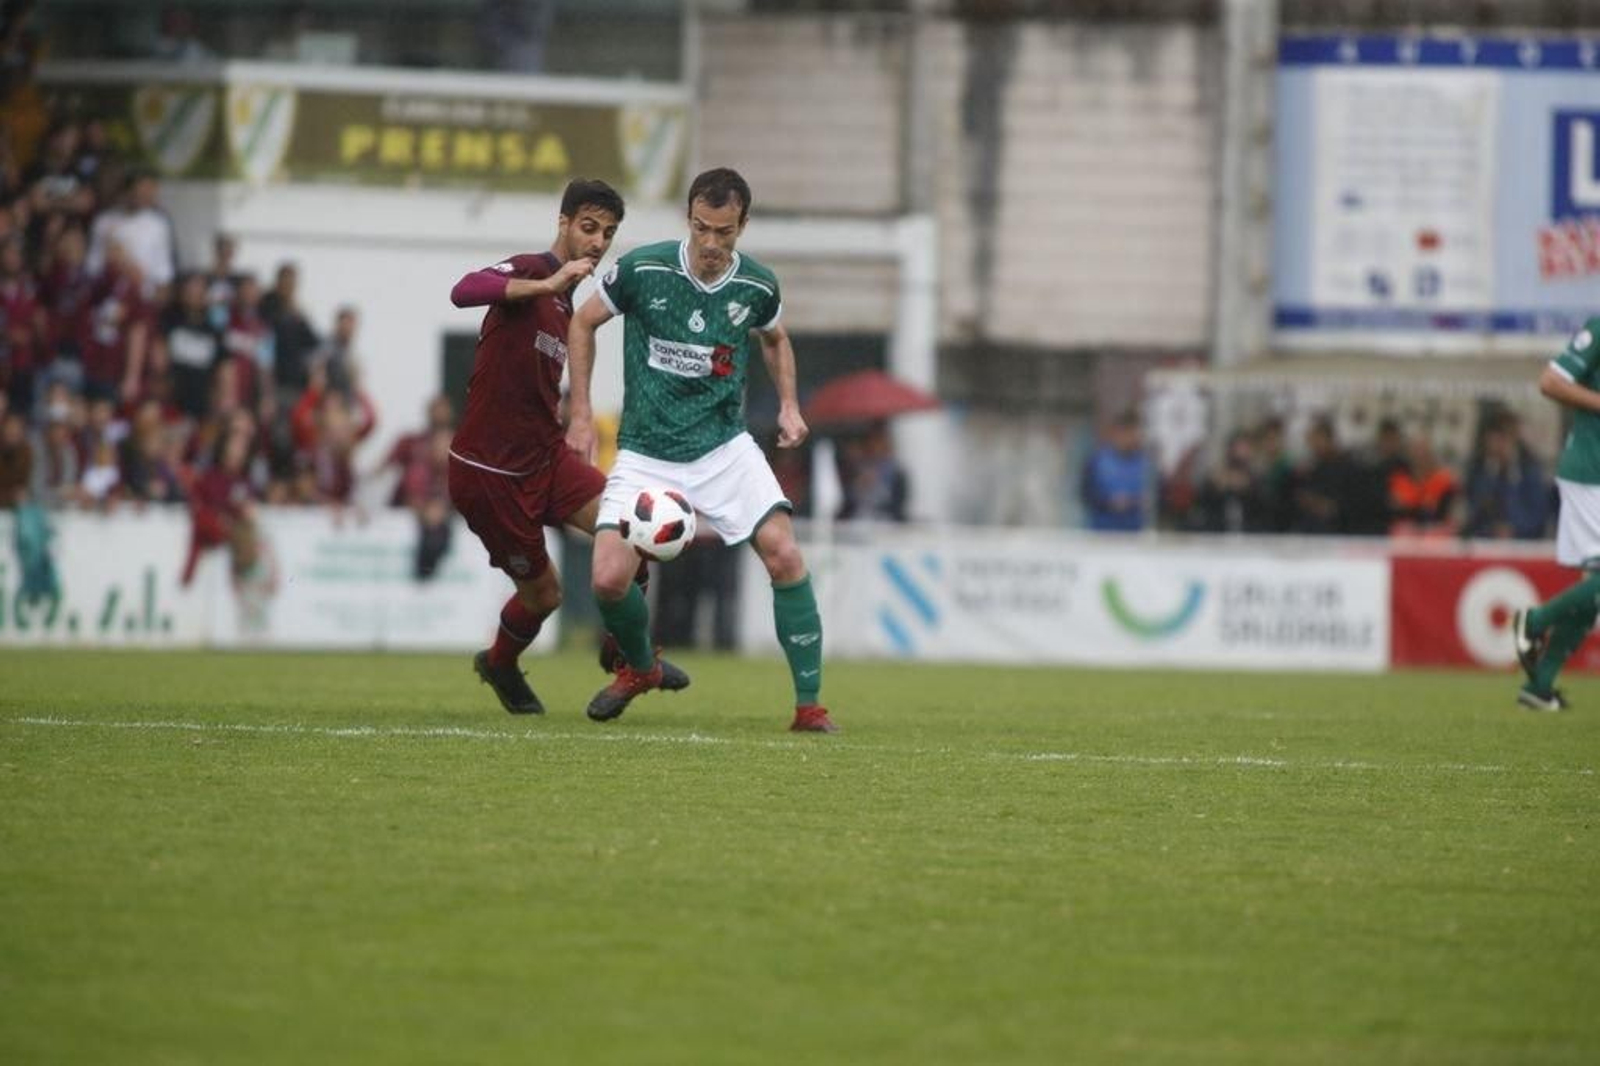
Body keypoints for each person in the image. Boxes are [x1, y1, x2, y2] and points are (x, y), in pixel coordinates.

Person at [565, 167, 837, 733]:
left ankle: (809, 707)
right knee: (608, 580)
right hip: (645, 450)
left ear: (743, 226)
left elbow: (776, 339)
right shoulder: (643, 268)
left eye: (725, 232)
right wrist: (583, 414)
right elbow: (583, 322)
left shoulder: (757, 285)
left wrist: (789, 405)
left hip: (722, 448)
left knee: (785, 554)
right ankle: (642, 667)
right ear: (688, 218)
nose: (711, 244)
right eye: (701, 228)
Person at [446, 177, 687, 716]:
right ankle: (500, 662)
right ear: (562, 222)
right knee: (546, 595)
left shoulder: (569, 306)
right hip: (490, 473)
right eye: (588, 227)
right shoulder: (534, 272)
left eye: (608, 232)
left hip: (546, 458)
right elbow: (463, 289)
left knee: (634, 533)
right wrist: (547, 282)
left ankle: (627, 655)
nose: (598, 242)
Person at [1513, 318, 1600, 712]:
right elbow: (1550, 382)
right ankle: (1533, 622)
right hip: (1591, 473)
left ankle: (1541, 685)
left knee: (1594, 589)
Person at [1079, 409, 1148, 532]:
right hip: (1102, 532)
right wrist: (1109, 503)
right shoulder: (1097, 460)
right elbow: (1085, 494)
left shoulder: (1145, 463)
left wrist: (1135, 502)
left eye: (1133, 432)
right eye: (1126, 432)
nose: (1130, 437)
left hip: (1134, 534)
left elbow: (1153, 498)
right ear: (1117, 432)